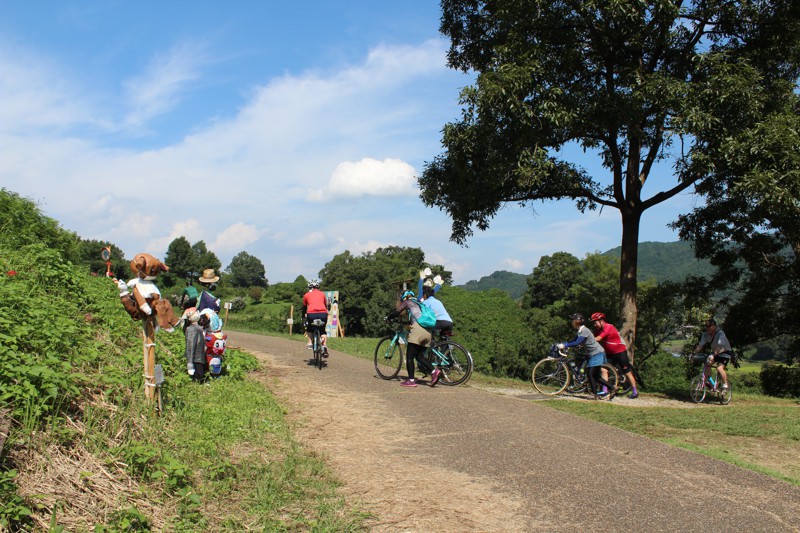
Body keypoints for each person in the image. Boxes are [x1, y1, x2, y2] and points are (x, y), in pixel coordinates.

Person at [386, 290, 441, 387]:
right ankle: (434, 371)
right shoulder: (420, 303)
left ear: (405, 297)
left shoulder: (408, 302)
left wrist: (388, 318)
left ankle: (411, 380)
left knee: (409, 357)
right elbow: (416, 318)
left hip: (418, 331)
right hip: (428, 332)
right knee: (419, 356)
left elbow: (397, 312)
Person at [557, 313, 612, 399]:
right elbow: (574, 341)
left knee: (591, 374)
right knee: (596, 376)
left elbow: (577, 342)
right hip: (593, 354)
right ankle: (612, 388)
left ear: (577, 321)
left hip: (597, 353)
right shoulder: (580, 331)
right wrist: (565, 343)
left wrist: (565, 345)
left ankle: (595, 394)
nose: (571, 322)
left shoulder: (585, 330)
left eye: (572, 320)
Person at [591, 312, 638, 399]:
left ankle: (635, 392)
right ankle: (605, 391)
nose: (594, 325)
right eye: (593, 323)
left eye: (595, 322)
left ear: (601, 321)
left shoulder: (609, 327)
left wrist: (588, 341)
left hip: (620, 352)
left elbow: (598, 338)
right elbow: (592, 337)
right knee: (603, 369)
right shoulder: (598, 330)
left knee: (627, 372)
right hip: (609, 354)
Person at [694, 318, 732, 390]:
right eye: (706, 326)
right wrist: (693, 353)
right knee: (707, 364)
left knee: (719, 368)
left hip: (725, 353)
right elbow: (700, 345)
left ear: (714, 326)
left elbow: (720, 346)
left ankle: (725, 384)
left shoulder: (720, 333)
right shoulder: (705, 335)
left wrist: (713, 355)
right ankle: (712, 384)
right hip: (716, 353)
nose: (707, 328)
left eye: (709, 326)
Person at [302, 279, 330, 357]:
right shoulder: (323, 294)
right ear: (318, 287)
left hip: (311, 314)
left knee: (310, 328)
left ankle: (310, 343)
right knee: (322, 330)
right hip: (323, 314)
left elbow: (304, 308)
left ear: (309, 287)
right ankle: (324, 346)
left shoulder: (306, 295)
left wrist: (303, 317)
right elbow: (325, 305)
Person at [183, 310, 206, 382]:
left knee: (196, 379)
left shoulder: (191, 329)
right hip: (199, 358)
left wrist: (189, 361)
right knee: (200, 377)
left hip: (195, 358)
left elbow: (190, 345)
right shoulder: (199, 328)